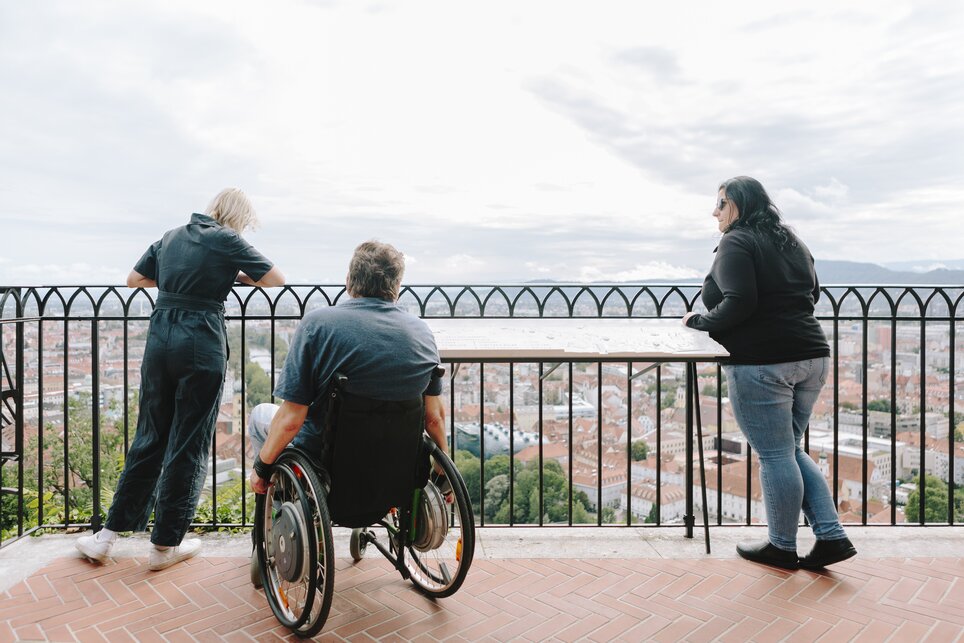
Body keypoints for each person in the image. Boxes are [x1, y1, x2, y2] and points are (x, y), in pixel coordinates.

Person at [75, 188, 285, 570]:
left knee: (149, 437)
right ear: (236, 217)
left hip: (160, 338)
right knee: (188, 441)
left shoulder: (171, 236)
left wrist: (176, 284)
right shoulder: (227, 239)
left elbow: (134, 279)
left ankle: (105, 538)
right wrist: (229, 277)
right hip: (200, 340)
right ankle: (164, 545)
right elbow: (275, 279)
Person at [682, 176, 856, 571]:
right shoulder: (790, 240)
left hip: (762, 361)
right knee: (790, 450)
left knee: (775, 454)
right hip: (812, 355)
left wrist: (697, 321)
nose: (715, 211)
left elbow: (739, 303)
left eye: (721, 203)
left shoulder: (737, 241)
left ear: (739, 206)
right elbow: (812, 293)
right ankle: (830, 536)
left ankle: (781, 546)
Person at [248, 240, 447, 498]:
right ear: (397, 286)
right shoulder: (422, 333)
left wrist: (261, 469)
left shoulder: (318, 325)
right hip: (396, 464)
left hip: (328, 466)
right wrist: (443, 472)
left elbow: (290, 420)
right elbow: (433, 418)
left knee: (260, 415)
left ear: (349, 280)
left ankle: (280, 509)